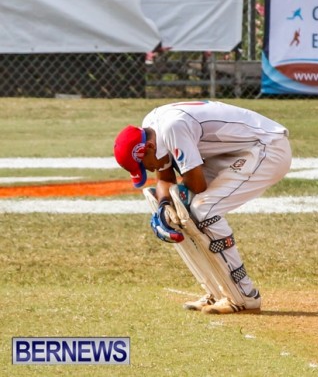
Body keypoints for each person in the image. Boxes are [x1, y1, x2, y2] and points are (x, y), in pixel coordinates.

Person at [113, 100, 291, 314]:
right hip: (236, 152)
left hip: (267, 148)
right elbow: (165, 180)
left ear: (149, 148)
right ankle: (220, 291)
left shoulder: (172, 127)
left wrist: (178, 201)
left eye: (144, 165)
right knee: (185, 208)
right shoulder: (151, 128)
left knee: (203, 209)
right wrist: (163, 208)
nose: (148, 170)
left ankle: (245, 295)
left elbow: (197, 186)